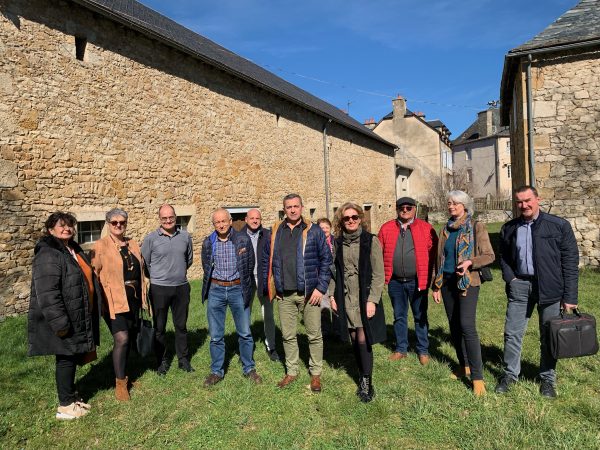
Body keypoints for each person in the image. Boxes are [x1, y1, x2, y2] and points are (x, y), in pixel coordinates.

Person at [495, 185, 579, 398]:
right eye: (519, 202)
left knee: (548, 336)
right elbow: (503, 256)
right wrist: (510, 278)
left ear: (537, 199)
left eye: (527, 200)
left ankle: (548, 380)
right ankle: (509, 375)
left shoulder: (558, 226)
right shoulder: (509, 228)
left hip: (550, 288)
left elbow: (570, 262)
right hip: (520, 287)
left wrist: (570, 296)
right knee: (512, 333)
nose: (524, 205)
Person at [28, 211, 100, 419]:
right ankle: (66, 407)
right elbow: (47, 293)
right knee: (66, 359)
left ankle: (71, 396)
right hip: (63, 318)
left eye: (70, 225)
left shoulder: (71, 249)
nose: (67, 228)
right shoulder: (48, 253)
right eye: (61, 225)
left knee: (71, 357)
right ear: (51, 229)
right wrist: (60, 323)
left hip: (75, 313)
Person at [265, 194, 332, 392]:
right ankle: (292, 371)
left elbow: (326, 260)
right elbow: (273, 260)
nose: (292, 210)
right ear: (283, 209)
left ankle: (316, 374)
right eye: (288, 207)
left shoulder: (314, 230)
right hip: (285, 294)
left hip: (309, 293)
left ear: (302, 208)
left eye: (296, 206)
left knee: (314, 335)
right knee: (287, 335)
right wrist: (275, 286)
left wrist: (320, 288)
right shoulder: (277, 230)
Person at [432, 191, 494, 396]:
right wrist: (436, 285)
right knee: (454, 326)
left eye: (455, 203)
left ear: (465, 206)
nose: (451, 206)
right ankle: (463, 365)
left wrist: (470, 262)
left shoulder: (476, 226)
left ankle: (477, 378)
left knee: (467, 326)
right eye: (449, 203)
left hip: (467, 282)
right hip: (447, 282)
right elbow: (439, 259)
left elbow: (489, 256)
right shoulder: (445, 229)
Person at [329, 203, 386, 402]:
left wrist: (373, 301)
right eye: (347, 218)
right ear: (341, 222)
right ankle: (362, 371)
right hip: (345, 297)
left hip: (364, 296)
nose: (351, 220)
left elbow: (379, 275)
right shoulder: (336, 243)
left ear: (360, 218)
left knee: (363, 338)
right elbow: (333, 273)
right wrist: (331, 296)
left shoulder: (371, 241)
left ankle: (366, 381)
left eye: (354, 217)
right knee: (353, 337)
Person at [201, 208, 262, 386]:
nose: (221, 225)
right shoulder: (208, 242)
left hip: (237, 289)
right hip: (216, 290)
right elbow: (206, 266)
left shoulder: (242, 240)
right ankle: (216, 371)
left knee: (244, 332)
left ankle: (249, 368)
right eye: (217, 222)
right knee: (216, 335)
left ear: (230, 221)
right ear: (214, 224)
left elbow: (249, 265)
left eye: (223, 221)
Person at [92, 208, 147, 401]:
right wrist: (100, 302)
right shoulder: (101, 245)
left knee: (130, 337)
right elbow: (95, 274)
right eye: (114, 222)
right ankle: (120, 383)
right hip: (113, 300)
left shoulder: (132, 243)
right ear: (108, 224)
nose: (118, 225)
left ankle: (126, 374)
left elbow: (140, 268)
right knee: (122, 338)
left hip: (132, 298)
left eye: (122, 222)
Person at [377, 197, 437, 365]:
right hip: (395, 281)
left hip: (417, 281)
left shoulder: (426, 228)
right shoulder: (386, 228)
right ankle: (401, 349)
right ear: (397, 209)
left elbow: (435, 255)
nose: (405, 210)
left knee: (420, 316)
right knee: (399, 316)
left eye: (408, 207)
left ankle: (423, 350)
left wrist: (433, 279)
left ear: (414, 209)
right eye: (401, 207)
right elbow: (377, 254)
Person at [141, 204, 194, 375]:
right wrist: (159, 276)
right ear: (159, 219)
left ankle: (183, 360)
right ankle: (162, 361)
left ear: (175, 217)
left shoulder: (185, 237)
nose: (168, 220)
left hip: (181, 287)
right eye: (164, 218)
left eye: (171, 217)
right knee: (160, 328)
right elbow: (145, 263)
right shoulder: (150, 239)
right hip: (159, 289)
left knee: (181, 326)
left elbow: (189, 259)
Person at [241, 208, 279, 361]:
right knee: (245, 315)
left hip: (264, 279)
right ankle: (245, 349)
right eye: (252, 218)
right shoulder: (238, 236)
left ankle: (272, 347)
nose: (255, 220)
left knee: (268, 314)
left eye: (258, 218)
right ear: (246, 219)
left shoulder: (268, 235)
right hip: (247, 280)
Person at [317, 217, 337, 338]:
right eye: (322, 228)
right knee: (323, 304)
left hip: (335, 276)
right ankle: (326, 331)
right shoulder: (316, 242)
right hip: (321, 276)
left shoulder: (336, 242)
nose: (324, 230)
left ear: (330, 228)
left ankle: (338, 331)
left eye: (326, 227)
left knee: (336, 303)